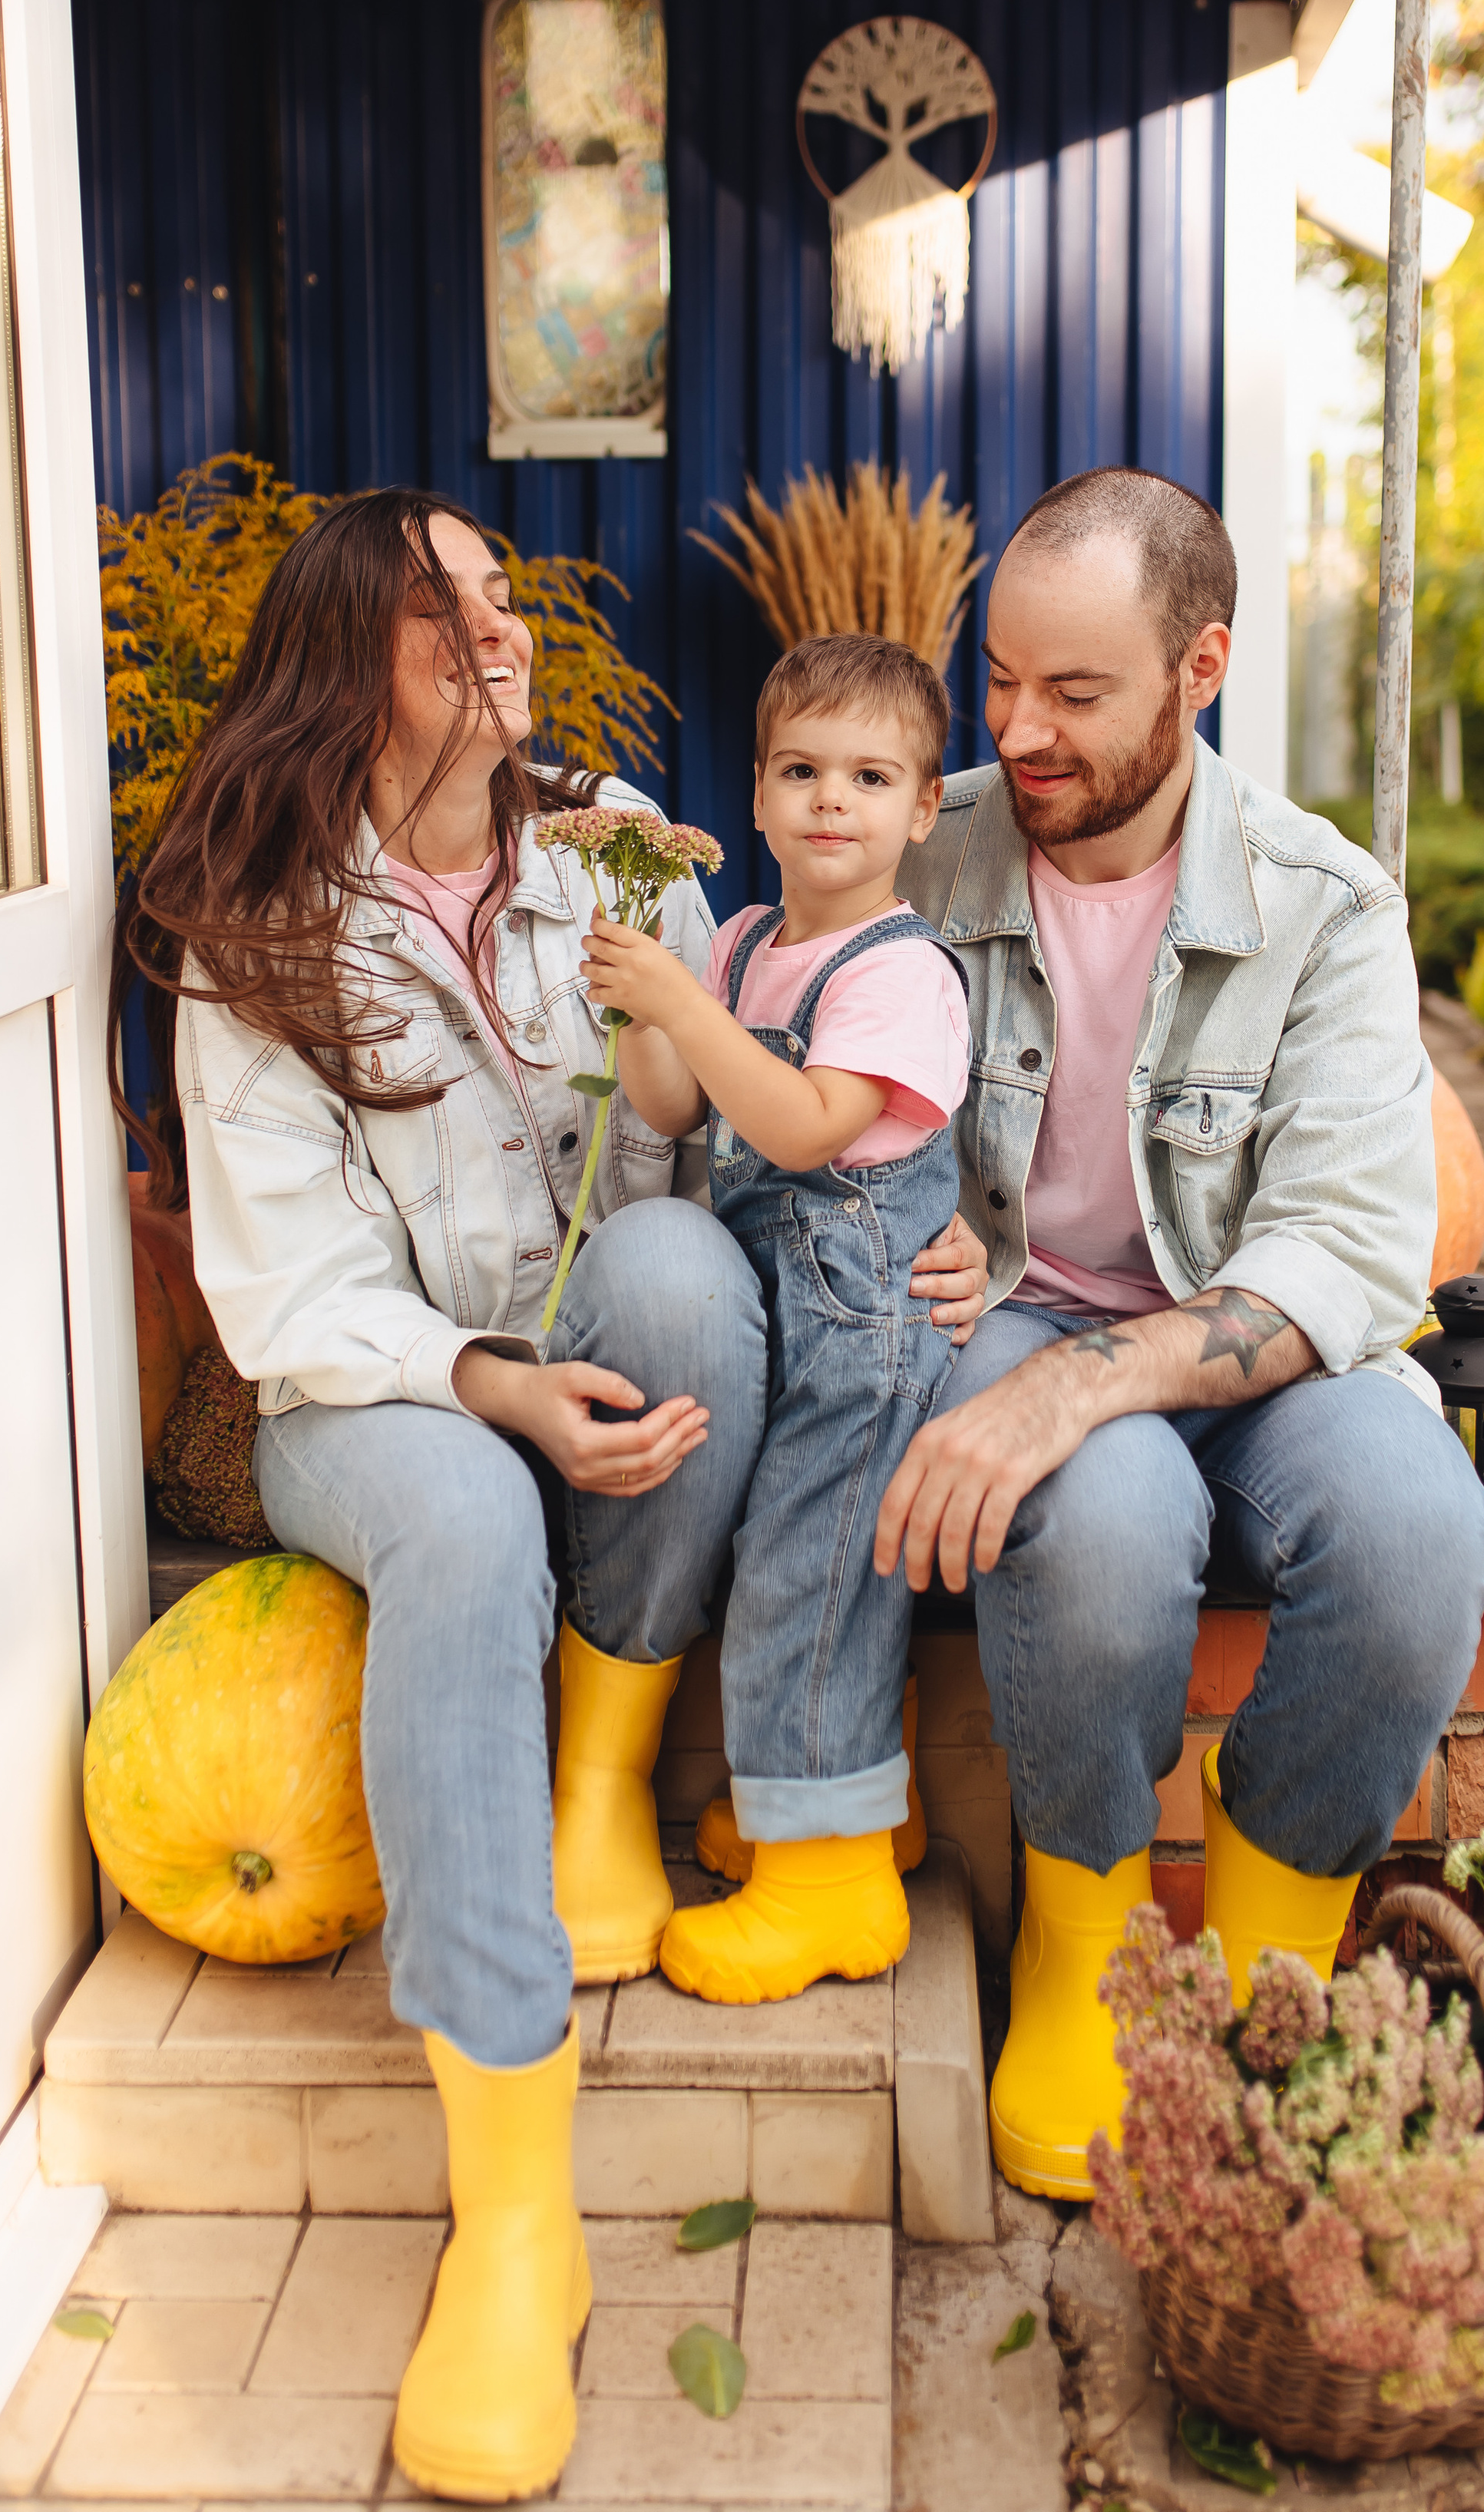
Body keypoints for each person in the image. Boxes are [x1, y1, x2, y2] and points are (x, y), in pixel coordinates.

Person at [111, 491, 985, 2501]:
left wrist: (966, 1250)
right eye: (452, 615)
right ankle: (517, 2216)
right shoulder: (254, 921)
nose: (503, 637)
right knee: (469, 1517)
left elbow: (760, 1144)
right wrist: (488, 1382)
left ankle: (607, 1787)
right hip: (378, 1391)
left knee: (677, 1273)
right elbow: (290, 1299)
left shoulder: (619, 858)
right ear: (355, 662)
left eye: (508, 600)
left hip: (606, 1335)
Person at [877, 464, 1484, 2201]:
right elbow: (776, 1054)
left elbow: (1348, 1250)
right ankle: (1082, 1953)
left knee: (1416, 1533)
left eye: (1074, 692)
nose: (1018, 728)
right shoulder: (920, 855)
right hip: (1013, 1310)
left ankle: (1255, 1952)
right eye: (997, 678)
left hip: (1254, 1348)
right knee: (1096, 1523)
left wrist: (1096, 1380)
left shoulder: (1321, 901)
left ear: (1198, 667)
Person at [580, 633, 973, 2004]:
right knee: (782, 1556)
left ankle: (831, 1887)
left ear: (923, 809)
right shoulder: (742, 941)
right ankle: (846, 1803)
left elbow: (806, 1130)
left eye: (870, 777)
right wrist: (642, 1005)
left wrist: (683, 999)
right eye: (801, 770)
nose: (830, 801)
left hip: (869, 1329)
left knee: (814, 1570)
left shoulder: (900, 971)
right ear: (754, 795)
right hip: (788, 1313)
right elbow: (676, 1109)